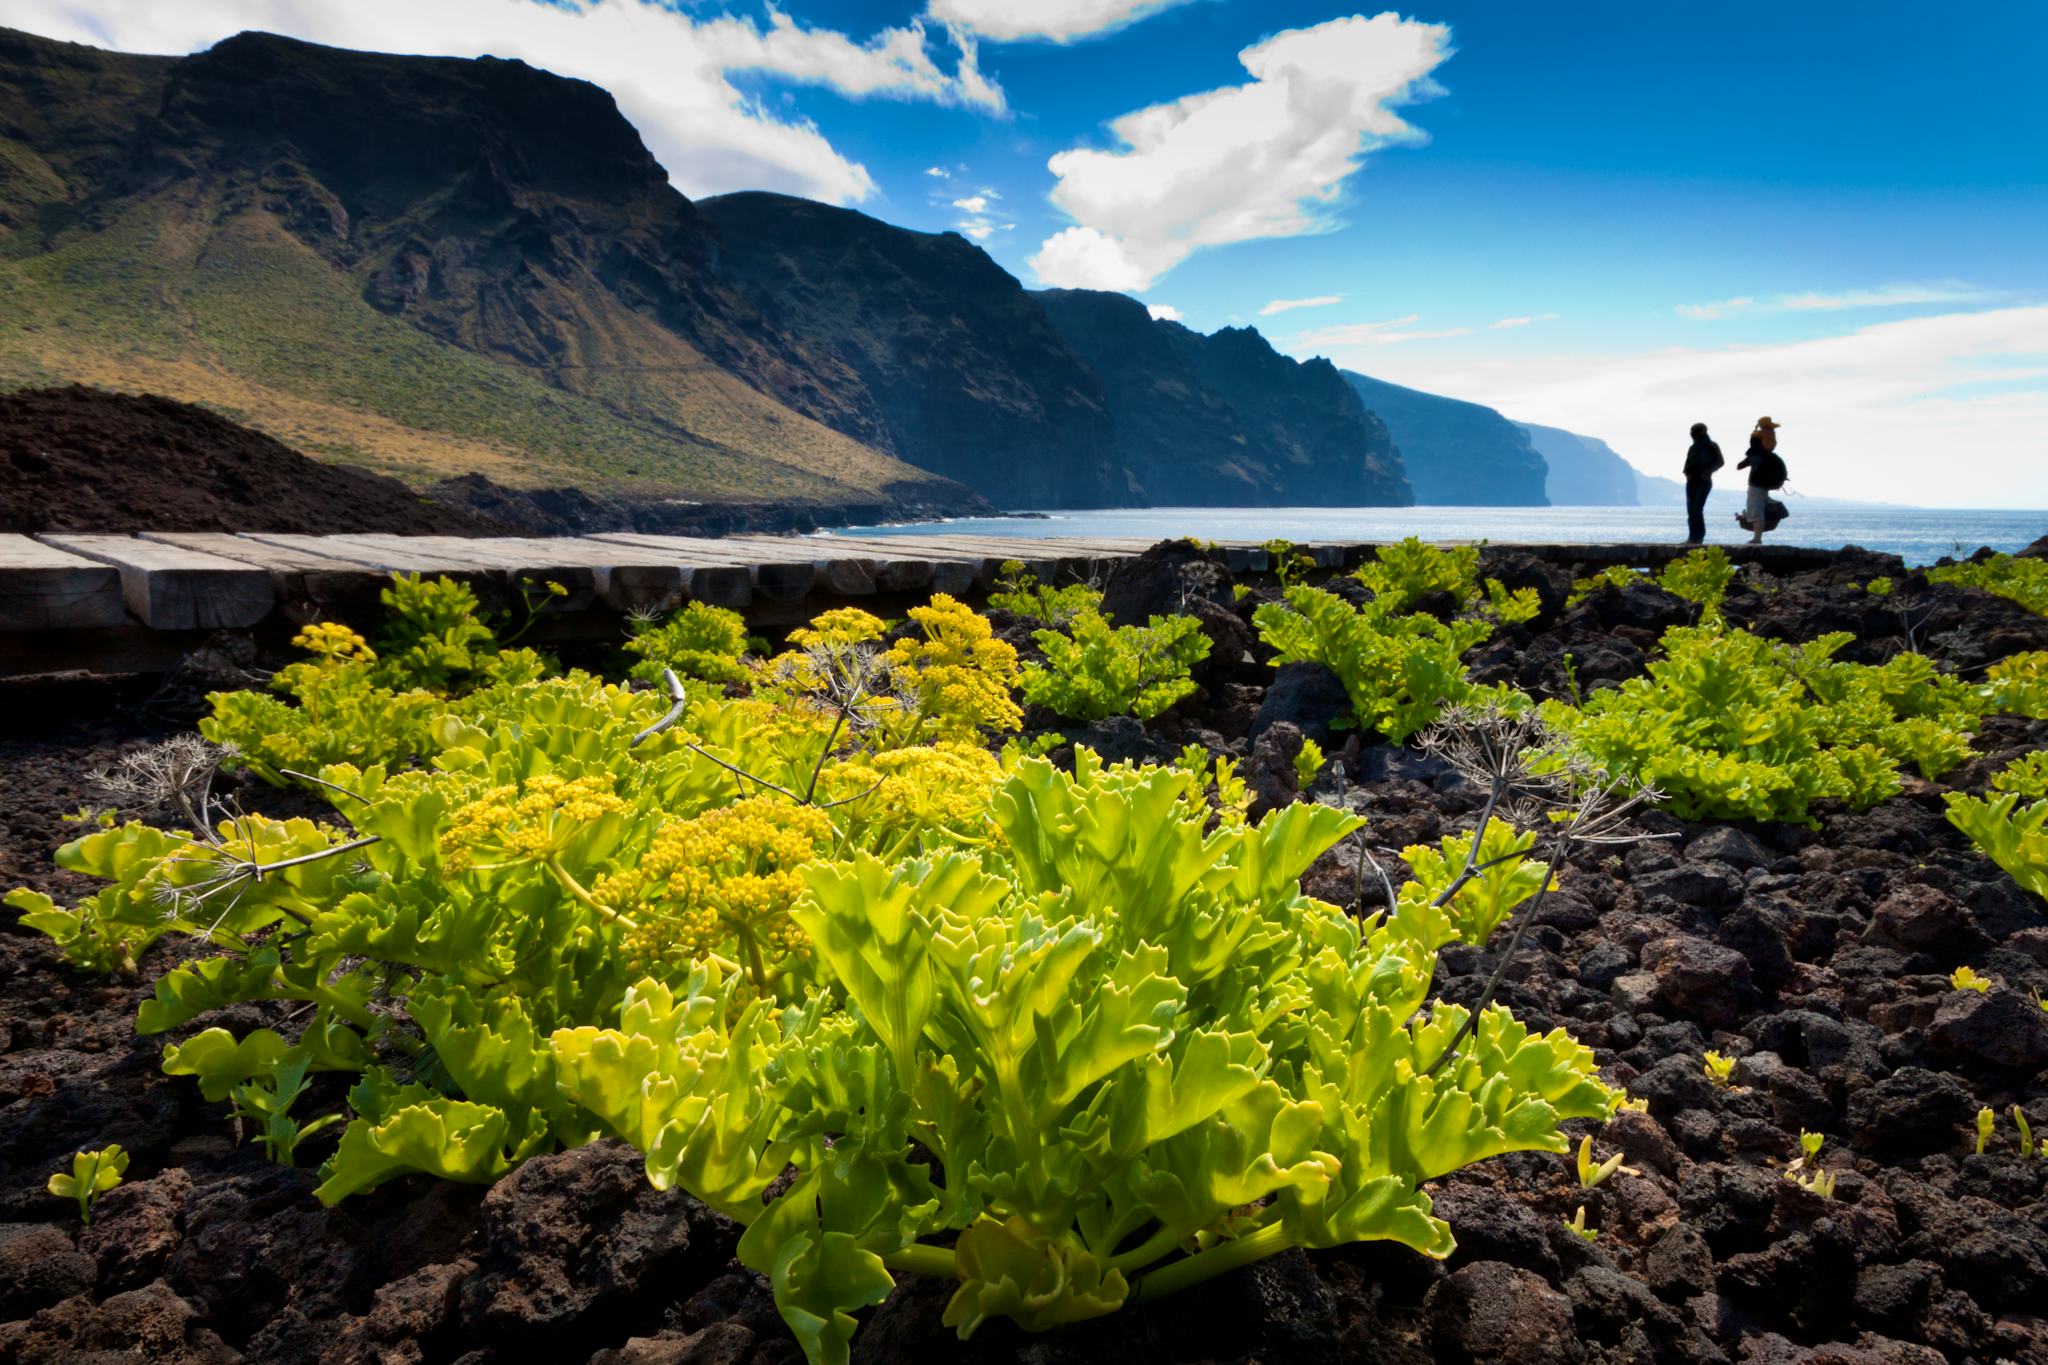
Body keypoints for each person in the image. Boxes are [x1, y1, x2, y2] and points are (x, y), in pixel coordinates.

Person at [1735, 417, 1786, 545]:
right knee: (1758, 506)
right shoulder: (1771, 452)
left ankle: (1757, 538)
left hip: (1756, 484)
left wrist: (1744, 463)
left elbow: (1743, 464)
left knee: (1756, 510)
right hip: (1765, 484)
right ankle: (1751, 524)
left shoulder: (1757, 448)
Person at [1682, 422, 1722, 544]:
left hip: (1704, 481)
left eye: (1695, 431)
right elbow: (1688, 462)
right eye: (1691, 431)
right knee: (1691, 510)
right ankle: (1692, 536)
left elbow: (1720, 462)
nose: (1692, 434)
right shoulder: (1693, 447)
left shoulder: (1711, 445)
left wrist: (1709, 471)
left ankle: (1698, 537)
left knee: (1697, 509)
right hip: (1691, 481)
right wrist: (1686, 472)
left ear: (1703, 431)